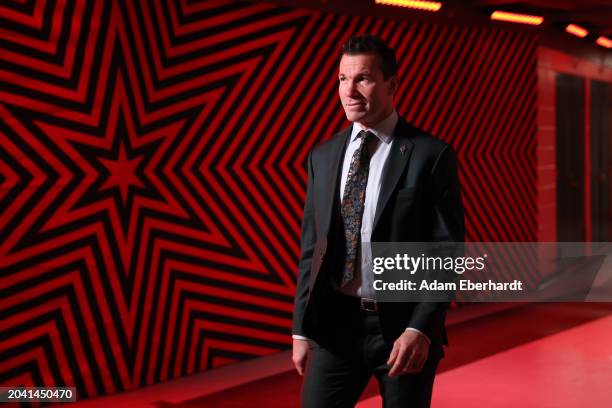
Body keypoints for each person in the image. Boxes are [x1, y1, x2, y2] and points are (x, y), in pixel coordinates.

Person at [291, 34, 465, 407]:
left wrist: (421, 328)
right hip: (336, 327)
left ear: (392, 84)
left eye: (363, 79)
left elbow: (447, 252)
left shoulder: (430, 155)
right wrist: (300, 330)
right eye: (342, 79)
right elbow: (312, 249)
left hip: (403, 330)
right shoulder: (322, 157)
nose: (349, 91)